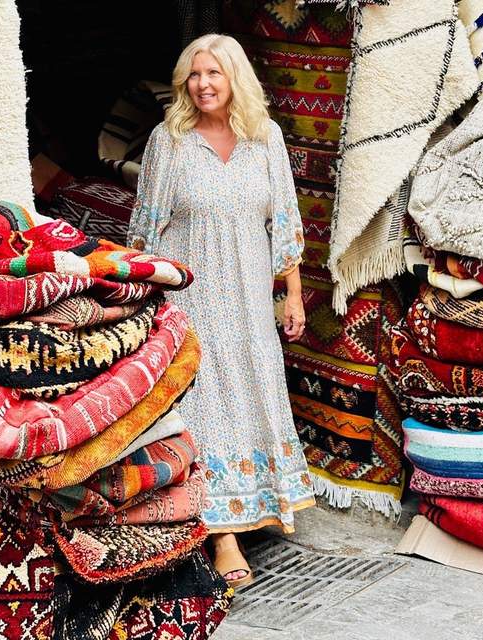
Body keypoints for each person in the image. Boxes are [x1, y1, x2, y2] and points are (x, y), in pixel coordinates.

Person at [127, 33, 315, 588]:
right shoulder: (169, 141)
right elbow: (145, 227)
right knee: (204, 402)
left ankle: (260, 498)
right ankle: (221, 533)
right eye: (194, 74)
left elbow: (284, 220)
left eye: (214, 73)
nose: (203, 84)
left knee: (252, 389)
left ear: (236, 79)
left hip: (249, 298)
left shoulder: (265, 137)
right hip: (193, 299)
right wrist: (140, 305)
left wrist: (292, 293)